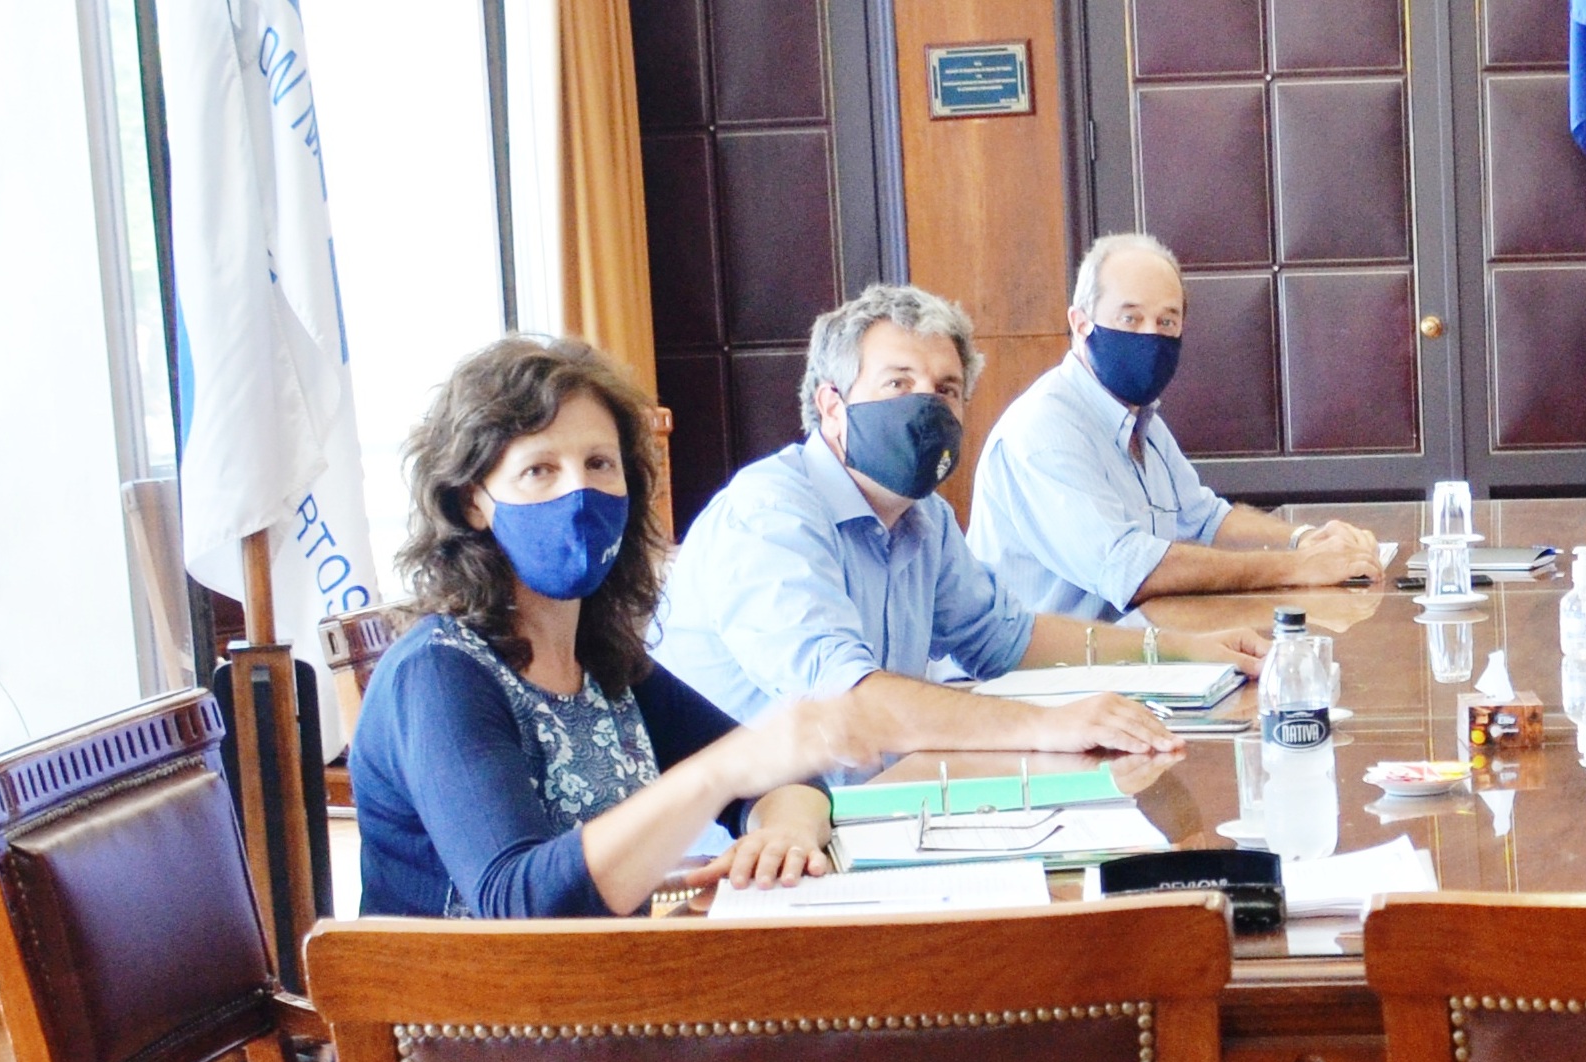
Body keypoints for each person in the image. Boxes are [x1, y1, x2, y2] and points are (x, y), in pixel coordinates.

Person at [352, 338, 883, 918]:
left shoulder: (603, 660)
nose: (578, 493)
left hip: (616, 969)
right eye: (539, 470)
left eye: (599, 464)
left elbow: (787, 779)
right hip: (472, 980)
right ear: (472, 502)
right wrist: (721, 771)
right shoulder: (438, 673)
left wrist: (784, 833)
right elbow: (519, 905)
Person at [653, 284, 1264, 757]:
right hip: (748, 847)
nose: (926, 404)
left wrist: (1183, 651)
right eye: (898, 383)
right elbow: (844, 703)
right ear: (831, 406)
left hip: (867, 802)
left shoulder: (925, 518)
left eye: (945, 389)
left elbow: (1007, 639)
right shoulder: (768, 515)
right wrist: (1047, 726)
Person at [968, 234, 1381, 620]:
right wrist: (1296, 567)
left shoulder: (1141, 419)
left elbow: (1206, 521)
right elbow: (1129, 568)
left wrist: (1304, 539)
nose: (1150, 336)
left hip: (1134, 650)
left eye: (1167, 322)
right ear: (1080, 323)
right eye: (1130, 318)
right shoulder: (1043, 430)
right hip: (1048, 668)